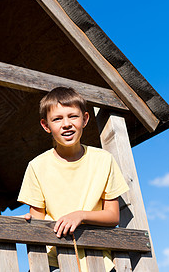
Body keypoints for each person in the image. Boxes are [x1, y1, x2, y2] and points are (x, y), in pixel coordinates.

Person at [18, 87, 129, 272]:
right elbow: (37, 221)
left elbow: (113, 215)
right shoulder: (36, 166)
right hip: (55, 261)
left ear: (85, 119)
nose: (66, 124)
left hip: (99, 260)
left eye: (73, 116)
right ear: (46, 126)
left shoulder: (104, 160)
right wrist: (24, 223)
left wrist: (81, 215)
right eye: (57, 119)